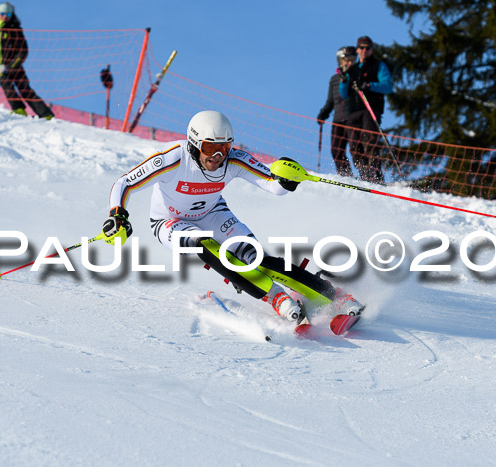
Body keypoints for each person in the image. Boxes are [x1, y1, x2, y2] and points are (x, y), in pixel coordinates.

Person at [102, 110, 364, 323]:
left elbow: (272, 185)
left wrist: (287, 179)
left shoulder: (234, 160)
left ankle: (334, 296)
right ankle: (276, 297)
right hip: (169, 221)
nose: (217, 157)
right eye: (209, 148)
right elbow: (124, 183)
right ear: (194, 144)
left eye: (224, 148)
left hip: (212, 213)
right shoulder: (172, 159)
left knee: (256, 257)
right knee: (208, 247)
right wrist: (117, 214)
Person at [0, 2, 54, 119]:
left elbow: (23, 51)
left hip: (14, 66)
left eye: (8, 14)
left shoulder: (15, 29)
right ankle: (18, 109)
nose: (5, 16)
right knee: (6, 84)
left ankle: (46, 115)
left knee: (25, 89)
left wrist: (10, 66)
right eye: (2, 13)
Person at [339, 35, 394, 184]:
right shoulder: (353, 68)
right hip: (353, 111)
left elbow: (388, 86)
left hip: (370, 109)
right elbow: (344, 93)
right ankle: (365, 177)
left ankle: (376, 177)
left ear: (371, 50)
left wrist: (369, 85)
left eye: (367, 48)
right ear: (357, 50)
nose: (364, 50)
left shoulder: (378, 65)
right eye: (361, 48)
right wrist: (344, 80)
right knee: (355, 147)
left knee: (369, 142)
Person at [317, 46, 356, 177]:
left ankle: (368, 177)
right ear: (340, 60)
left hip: (353, 119)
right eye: (347, 59)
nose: (350, 62)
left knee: (356, 150)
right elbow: (330, 101)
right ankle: (346, 176)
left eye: (352, 60)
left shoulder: (356, 77)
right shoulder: (334, 79)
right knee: (336, 150)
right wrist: (324, 113)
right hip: (338, 120)